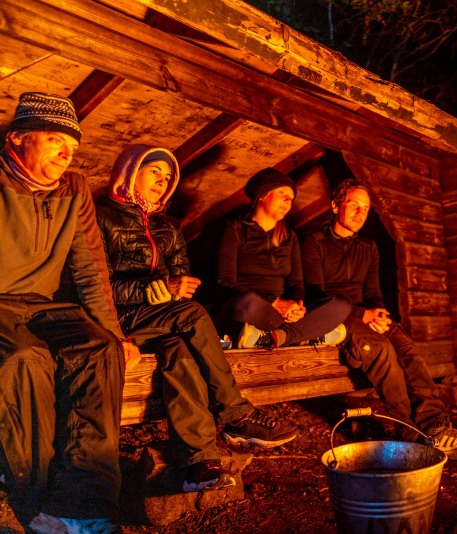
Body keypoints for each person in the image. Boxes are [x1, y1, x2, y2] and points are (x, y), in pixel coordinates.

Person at [95, 145, 298, 493]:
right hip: (116, 318)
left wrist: (176, 288)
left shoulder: (169, 227)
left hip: (162, 320)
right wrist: (151, 289)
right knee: (193, 314)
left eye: (167, 176)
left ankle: (197, 462)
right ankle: (235, 414)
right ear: (129, 173)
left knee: (179, 352)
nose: (163, 181)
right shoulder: (101, 217)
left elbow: (181, 281)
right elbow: (95, 284)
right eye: (153, 172)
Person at [0, 93, 140, 533]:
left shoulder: (74, 188)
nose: (66, 153)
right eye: (55, 140)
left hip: (45, 305)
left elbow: (89, 267)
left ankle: (84, 503)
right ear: (19, 138)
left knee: (100, 349)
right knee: (27, 360)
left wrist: (114, 333)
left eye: (73, 147)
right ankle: (34, 501)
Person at [302, 178, 457, 460]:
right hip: (333, 317)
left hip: (365, 316)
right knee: (383, 353)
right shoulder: (315, 242)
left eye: (365, 208)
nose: (360, 213)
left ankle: (436, 427)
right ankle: (414, 436)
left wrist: (378, 312)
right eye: (353, 205)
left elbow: (373, 292)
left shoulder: (368, 247)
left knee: (410, 353)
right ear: (335, 205)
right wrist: (361, 314)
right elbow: (315, 295)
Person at [215, 168, 351, 349]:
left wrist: (297, 306)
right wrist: (273, 302)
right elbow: (224, 281)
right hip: (254, 310)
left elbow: (297, 284)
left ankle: (277, 337)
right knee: (248, 303)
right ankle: (307, 334)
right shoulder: (235, 230)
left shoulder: (289, 237)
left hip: (281, 315)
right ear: (262, 196)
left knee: (341, 304)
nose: (289, 200)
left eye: (291, 197)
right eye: (282, 193)